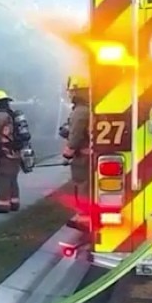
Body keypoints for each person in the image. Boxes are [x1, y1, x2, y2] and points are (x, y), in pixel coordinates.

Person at [0, 89, 29, 213]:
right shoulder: (10, 114)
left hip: (4, 153)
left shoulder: (2, 115)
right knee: (11, 178)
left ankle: (2, 205)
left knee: (0, 178)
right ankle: (14, 202)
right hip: (13, 152)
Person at [61, 74, 92, 231]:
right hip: (91, 156)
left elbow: (75, 135)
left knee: (82, 186)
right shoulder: (91, 107)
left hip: (83, 157)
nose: (70, 94)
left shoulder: (80, 111)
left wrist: (68, 153)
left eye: (72, 91)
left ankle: (85, 220)